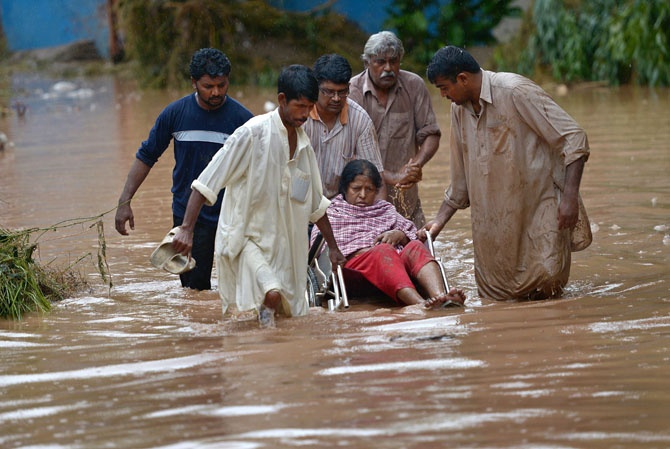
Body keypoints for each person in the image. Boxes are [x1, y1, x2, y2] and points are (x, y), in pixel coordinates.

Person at [171, 65, 346, 327]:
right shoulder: (252, 134)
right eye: (299, 106)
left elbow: (315, 204)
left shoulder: (304, 145)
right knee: (271, 292)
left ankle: (264, 346)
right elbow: (205, 183)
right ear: (282, 100)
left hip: (286, 248)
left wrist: (333, 248)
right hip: (247, 240)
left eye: (309, 107)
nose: (305, 114)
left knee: (285, 315)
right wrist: (186, 229)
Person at [423, 45, 591, 301]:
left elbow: (574, 138)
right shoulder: (459, 110)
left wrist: (569, 199)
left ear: (463, 78)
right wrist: (437, 224)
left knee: (548, 283)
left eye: (444, 87)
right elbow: (460, 181)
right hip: (493, 225)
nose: (444, 95)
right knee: (497, 302)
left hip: (539, 209)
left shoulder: (514, 91)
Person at [114, 48, 254, 291]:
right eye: (208, 86)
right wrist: (124, 201)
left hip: (231, 214)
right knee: (194, 290)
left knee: (238, 288)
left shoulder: (243, 120)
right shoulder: (175, 114)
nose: (216, 92)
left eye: (222, 85)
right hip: (188, 216)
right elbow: (147, 155)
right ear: (194, 83)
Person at [311, 159, 465, 309]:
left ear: (376, 191)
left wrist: (400, 234)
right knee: (383, 250)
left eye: (369, 189)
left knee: (416, 246)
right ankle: (419, 304)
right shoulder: (331, 213)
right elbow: (321, 251)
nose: (363, 195)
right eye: (356, 189)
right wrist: (367, 253)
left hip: (393, 263)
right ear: (345, 189)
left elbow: (414, 236)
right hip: (353, 272)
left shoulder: (386, 209)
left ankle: (442, 297)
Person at [349, 31, 441, 227]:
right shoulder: (351, 92)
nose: (388, 68)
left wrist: (414, 166)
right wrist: (392, 176)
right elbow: (347, 150)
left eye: (394, 61)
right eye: (380, 62)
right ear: (367, 63)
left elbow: (431, 133)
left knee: (416, 248)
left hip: (406, 198)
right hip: (364, 199)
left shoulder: (414, 85)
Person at [303, 53, 386, 200]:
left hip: (340, 208)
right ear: (315, 88)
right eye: (329, 92)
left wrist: (380, 217)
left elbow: (375, 179)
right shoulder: (300, 116)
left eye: (342, 92)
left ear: (349, 87)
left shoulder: (361, 120)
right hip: (300, 203)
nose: (336, 98)